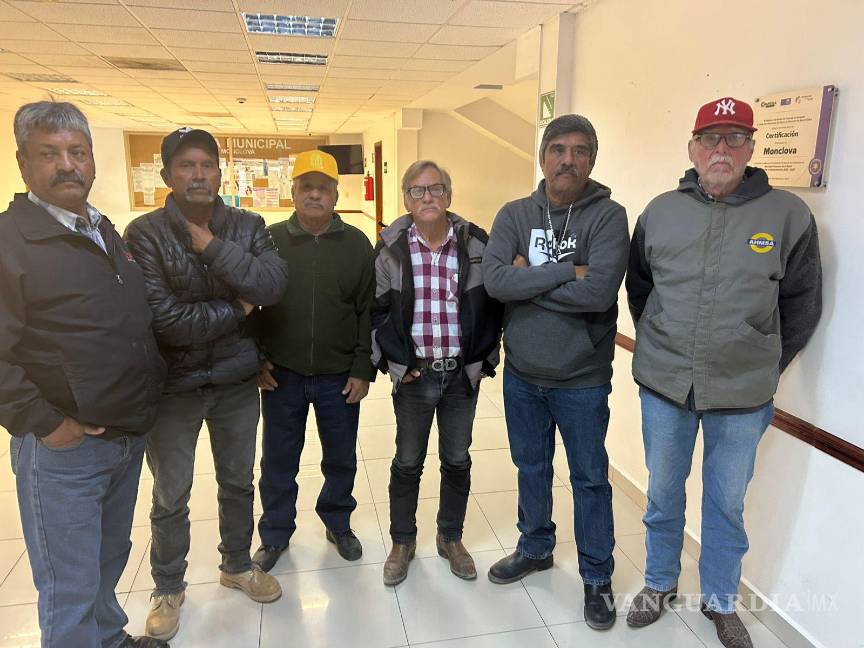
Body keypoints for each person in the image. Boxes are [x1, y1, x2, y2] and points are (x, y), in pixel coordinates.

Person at [624, 97, 822, 648]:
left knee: (726, 504)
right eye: (710, 138)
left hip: (743, 392)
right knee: (663, 493)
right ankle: (659, 583)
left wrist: (764, 359)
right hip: (665, 385)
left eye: (735, 138)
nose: (721, 149)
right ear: (692, 148)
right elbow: (640, 289)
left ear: (751, 148)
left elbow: (802, 304)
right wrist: (662, 342)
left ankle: (720, 601)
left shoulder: (788, 216)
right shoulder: (661, 211)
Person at [0, 101, 167, 648]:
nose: (67, 165)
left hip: (122, 436)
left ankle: (111, 638)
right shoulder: (10, 242)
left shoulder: (100, 229)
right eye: (50, 154)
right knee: (69, 586)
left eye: (78, 152)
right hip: (65, 449)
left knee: (107, 560)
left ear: (93, 160)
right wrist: (46, 423)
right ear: (23, 163)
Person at [124, 127, 288, 641]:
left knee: (237, 481)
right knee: (171, 494)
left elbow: (272, 286)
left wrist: (213, 247)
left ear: (220, 172)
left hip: (236, 382)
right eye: (186, 165)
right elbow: (167, 322)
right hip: (173, 387)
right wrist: (238, 307)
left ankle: (236, 564)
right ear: (167, 174)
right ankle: (168, 586)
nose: (198, 174)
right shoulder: (144, 234)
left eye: (206, 165)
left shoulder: (247, 225)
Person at [482, 114, 629, 630]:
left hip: (581, 377)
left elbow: (599, 293)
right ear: (543, 157)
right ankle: (536, 547)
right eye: (559, 149)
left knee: (589, 479)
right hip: (523, 373)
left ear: (592, 160)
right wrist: (569, 270)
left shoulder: (608, 217)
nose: (568, 159)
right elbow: (496, 282)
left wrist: (530, 280)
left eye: (580, 150)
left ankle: (597, 576)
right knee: (531, 467)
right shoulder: (515, 213)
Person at [371, 160, 502, 586]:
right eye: (417, 190)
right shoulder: (390, 249)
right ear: (406, 199)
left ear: (449, 194)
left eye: (436, 188)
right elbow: (375, 313)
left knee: (457, 460)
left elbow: (494, 305)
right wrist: (395, 364)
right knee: (407, 462)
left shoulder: (476, 244)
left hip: (461, 377)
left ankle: (450, 538)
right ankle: (402, 542)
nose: (427, 196)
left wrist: (484, 360)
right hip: (415, 377)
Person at [252, 150, 375, 571]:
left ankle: (338, 523)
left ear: (336, 195)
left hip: (338, 376)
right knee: (278, 460)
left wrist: (362, 368)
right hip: (281, 375)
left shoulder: (357, 244)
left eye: (323, 188)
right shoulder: (270, 241)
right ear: (293, 192)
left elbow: (367, 311)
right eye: (307, 187)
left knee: (340, 457)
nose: (315, 195)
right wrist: (258, 359)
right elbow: (253, 305)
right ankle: (275, 534)